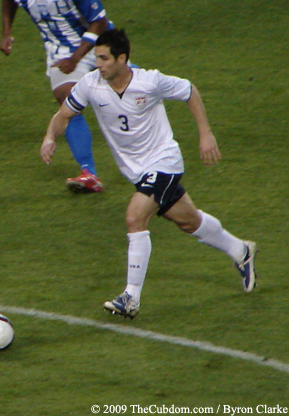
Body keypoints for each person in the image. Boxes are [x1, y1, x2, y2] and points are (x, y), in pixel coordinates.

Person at [40, 29, 258, 319]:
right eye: (96, 58)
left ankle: (130, 297)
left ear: (122, 58)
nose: (98, 64)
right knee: (188, 221)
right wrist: (50, 137)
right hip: (137, 171)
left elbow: (190, 91)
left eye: (104, 59)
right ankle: (241, 250)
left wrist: (205, 134)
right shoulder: (90, 84)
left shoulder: (149, 81)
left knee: (135, 217)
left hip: (164, 162)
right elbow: (63, 115)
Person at [0, 0, 114, 192]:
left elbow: (99, 22)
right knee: (68, 101)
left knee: (136, 89)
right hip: (60, 51)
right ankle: (89, 174)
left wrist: (77, 58)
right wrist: (6, 32)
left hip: (98, 42)